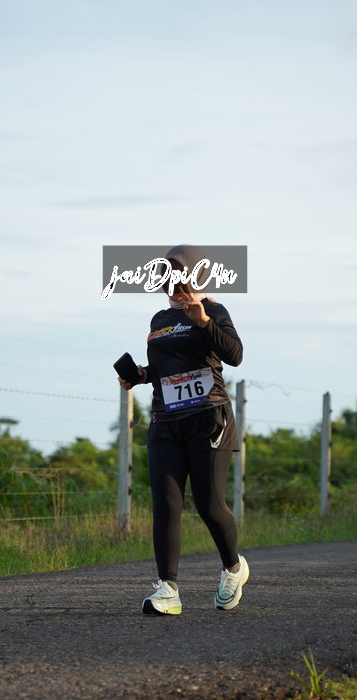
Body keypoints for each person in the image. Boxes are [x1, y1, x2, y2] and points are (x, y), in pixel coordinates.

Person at [118, 244, 248, 615]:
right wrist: (140, 375)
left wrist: (203, 321)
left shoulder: (214, 310)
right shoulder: (159, 319)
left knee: (209, 505)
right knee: (165, 503)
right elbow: (164, 369)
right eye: (166, 278)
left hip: (209, 418)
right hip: (166, 420)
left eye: (178, 276)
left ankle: (233, 568)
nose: (172, 285)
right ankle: (168, 589)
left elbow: (235, 355)